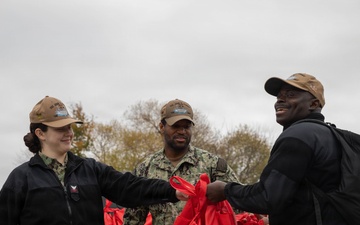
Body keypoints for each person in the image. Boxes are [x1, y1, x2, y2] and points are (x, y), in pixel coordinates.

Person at [0, 96, 188, 225]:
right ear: (40, 133)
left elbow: (130, 187)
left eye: (70, 127)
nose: (69, 133)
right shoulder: (20, 179)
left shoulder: (90, 169)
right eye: (60, 129)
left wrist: (172, 191)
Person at [206, 73, 347, 225]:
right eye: (279, 96)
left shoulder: (298, 136)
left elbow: (268, 197)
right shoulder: (331, 135)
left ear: (313, 104)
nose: (280, 100)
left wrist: (225, 190)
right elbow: (310, 199)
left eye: (291, 95)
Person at [123, 99, 240, 225]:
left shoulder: (213, 165)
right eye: (176, 126)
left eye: (186, 126)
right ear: (162, 127)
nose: (182, 131)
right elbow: (133, 219)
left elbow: (239, 203)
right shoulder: (145, 169)